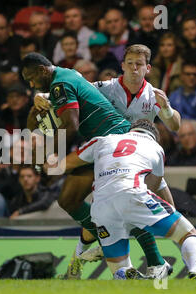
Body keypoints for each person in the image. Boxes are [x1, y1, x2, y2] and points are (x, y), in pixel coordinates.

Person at [22, 52, 169, 279]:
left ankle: (155, 263)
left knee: (126, 205)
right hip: (103, 144)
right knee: (69, 199)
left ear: (43, 70)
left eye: (32, 78)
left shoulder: (60, 84)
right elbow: (52, 120)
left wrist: (52, 156)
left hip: (114, 142)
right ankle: (115, 245)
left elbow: (70, 126)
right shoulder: (64, 75)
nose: (31, 84)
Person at [56, 119, 196, 280]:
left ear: (131, 130)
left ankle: (125, 273)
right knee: (188, 233)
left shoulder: (103, 139)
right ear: (153, 136)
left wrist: (43, 160)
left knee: (119, 268)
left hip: (100, 206)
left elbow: (65, 164)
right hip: (132, 193)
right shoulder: (156, 148)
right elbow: (153, 187)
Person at [65, 44, 181, 278]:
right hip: (109, 161)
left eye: (139, 64)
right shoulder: (106, 88)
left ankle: (183, 264)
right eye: (130, 63)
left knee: (170, 210)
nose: (134, 68)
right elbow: (76, 89)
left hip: (142, 163)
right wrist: (47, 96)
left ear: (147, 68)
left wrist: (167, 109)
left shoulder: (154, 95)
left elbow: (176, 126)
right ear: (122, 65)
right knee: (108, 213)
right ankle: (154, 265)